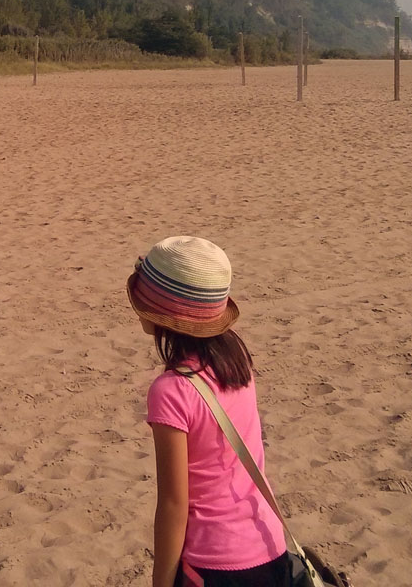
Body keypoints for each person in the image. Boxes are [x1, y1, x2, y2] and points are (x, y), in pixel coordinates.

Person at [127, 236, 291, 587]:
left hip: (214, 564)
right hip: (270, 544)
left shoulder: (171, 390)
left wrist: (161, 582)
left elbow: (173, 505)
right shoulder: (236, 359)